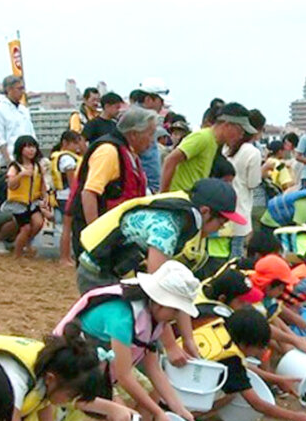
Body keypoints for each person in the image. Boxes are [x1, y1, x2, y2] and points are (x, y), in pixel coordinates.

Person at [55, 262, 201, 421]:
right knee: (118, 415)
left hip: (106, 363)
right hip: (79, 366)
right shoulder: (123, 317)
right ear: (160, 302)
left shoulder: (155, 317)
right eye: (176, 310)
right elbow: (125, 376)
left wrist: (179, 409)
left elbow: (154, 369)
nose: (177, 316)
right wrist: (158, 413)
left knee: (150, 392)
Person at [75, 177, 241, 294]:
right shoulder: (168, 227)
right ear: (205, 211)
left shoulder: (182, 214)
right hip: (97, 272)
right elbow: (156, 282)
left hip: (112, 267)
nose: (219, 229)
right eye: (221, 223)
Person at [196, 309, 306, 421]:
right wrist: (295, 417)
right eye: (260, 347)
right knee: (231, 394)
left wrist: (278, 380)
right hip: (186, 391)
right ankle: (191, 416)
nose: (262, 351)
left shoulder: (222, 326)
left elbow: (244, 367)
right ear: (245, 344)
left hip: (185, 372)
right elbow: (257, 404)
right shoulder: (232, 362)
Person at [69, 106, 156, 255]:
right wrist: (96, 236)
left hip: (118, 233)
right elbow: (89, 193)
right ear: (134, 134)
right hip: (101, 234)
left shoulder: (129, 153)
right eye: (150, 134)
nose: (152, 140)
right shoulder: (108, 152)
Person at [161, 102, 254, 194]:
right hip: (178, 200)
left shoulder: (213, 142)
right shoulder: (203, 137)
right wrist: (164, 195)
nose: (241, 136)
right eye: (240, 130)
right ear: (227, 125)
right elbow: (170, 160)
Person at [226, 109, 265, 258]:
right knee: (236, 254)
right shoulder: (253, 152)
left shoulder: (227, 147)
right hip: (241, 208)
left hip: (223, 209)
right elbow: (253, 183)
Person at [2, 135, 49, 258]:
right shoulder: (15, 167)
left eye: (33, 146)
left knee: (38, 223)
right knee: (26, 228)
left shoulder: (38, 166)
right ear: (20, 149)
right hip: (18, 204)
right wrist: (21, 175)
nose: (31, 150)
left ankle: (26, 243)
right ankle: (17, 254)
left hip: (33, 202)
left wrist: (45, 197)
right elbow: (11, 185)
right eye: (27, 147)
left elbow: (42, 184)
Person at [49, 129, 86, 264]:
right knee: (67, 228)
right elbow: (72, 183)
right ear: (65, 143)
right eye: (74, 143)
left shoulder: (60, 156)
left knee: (67, 227)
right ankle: (64, 257)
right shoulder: (67, 159)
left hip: (62, 196)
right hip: (67, 197)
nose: (77, 147)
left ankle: (67, 257)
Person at [132, 78, 169, 194]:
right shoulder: (138, 119)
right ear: (148, 99)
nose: (162, 106)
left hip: (147, 185)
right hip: (143, 187)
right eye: (160, 101)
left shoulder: (143, 118)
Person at [0, 75, 34, 168]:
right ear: (9, 89)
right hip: (11, 162)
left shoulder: (24, 110)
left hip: (28, 162)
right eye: (19, 89)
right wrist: (9, 162)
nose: (22, 92)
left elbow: (32, 135)